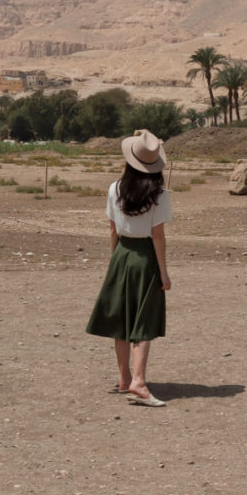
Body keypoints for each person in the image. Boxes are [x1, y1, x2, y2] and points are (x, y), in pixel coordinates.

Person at [85, 129, 171, 407]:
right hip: (145, 257)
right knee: (143, 321)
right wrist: (164, 273)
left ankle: (124, 378)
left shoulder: (115, 188)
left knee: (122, 320)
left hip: (122, 254)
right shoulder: (159, 194)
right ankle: (139, 382)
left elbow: (112, 230)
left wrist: (116, 261)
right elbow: (157, 236)